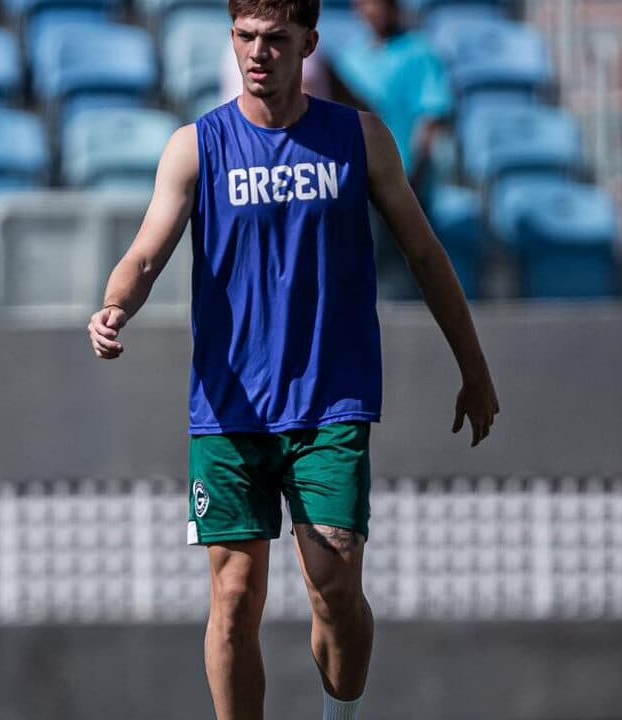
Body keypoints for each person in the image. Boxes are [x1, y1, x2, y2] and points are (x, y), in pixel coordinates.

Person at [86, 0, 499, 717]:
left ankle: (341, 713)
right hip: (228, 409)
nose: (258, 53)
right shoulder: (197, 146)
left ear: (308, 43)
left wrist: (475, 368)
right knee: (235, 597)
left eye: (275, 39)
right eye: (245, 37)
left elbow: (425, 254)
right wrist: (116, 303)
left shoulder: (358, 140)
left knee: (334, 591)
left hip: (328, 402)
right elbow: (148, 251)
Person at [328, 0, 453, 298]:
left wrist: (414, 175)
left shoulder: (420, 53)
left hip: (407, 181)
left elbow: (432, 118)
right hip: (361, 183)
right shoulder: (351, 58)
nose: (372, 10)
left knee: (409, 266)